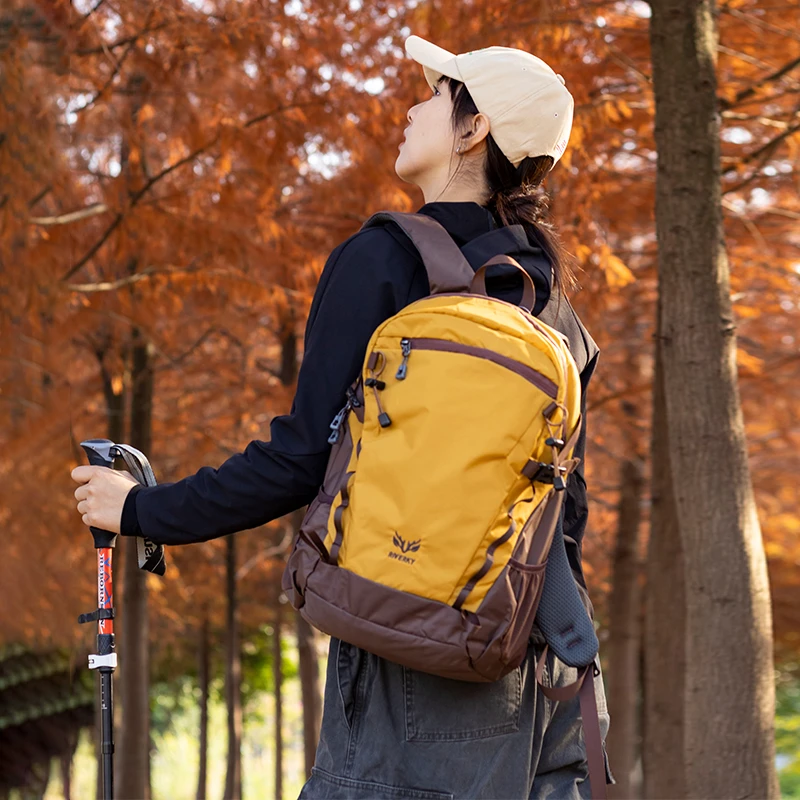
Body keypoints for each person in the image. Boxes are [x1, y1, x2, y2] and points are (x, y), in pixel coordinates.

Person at [72, 34, 610, 799]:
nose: (412, 109)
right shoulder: (554, 305)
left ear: (474, 127)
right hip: (542, 656)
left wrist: (141, 510)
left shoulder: (386, 258)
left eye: (434, 95)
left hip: (411, 651)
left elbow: (299, 459)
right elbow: (564, 512)